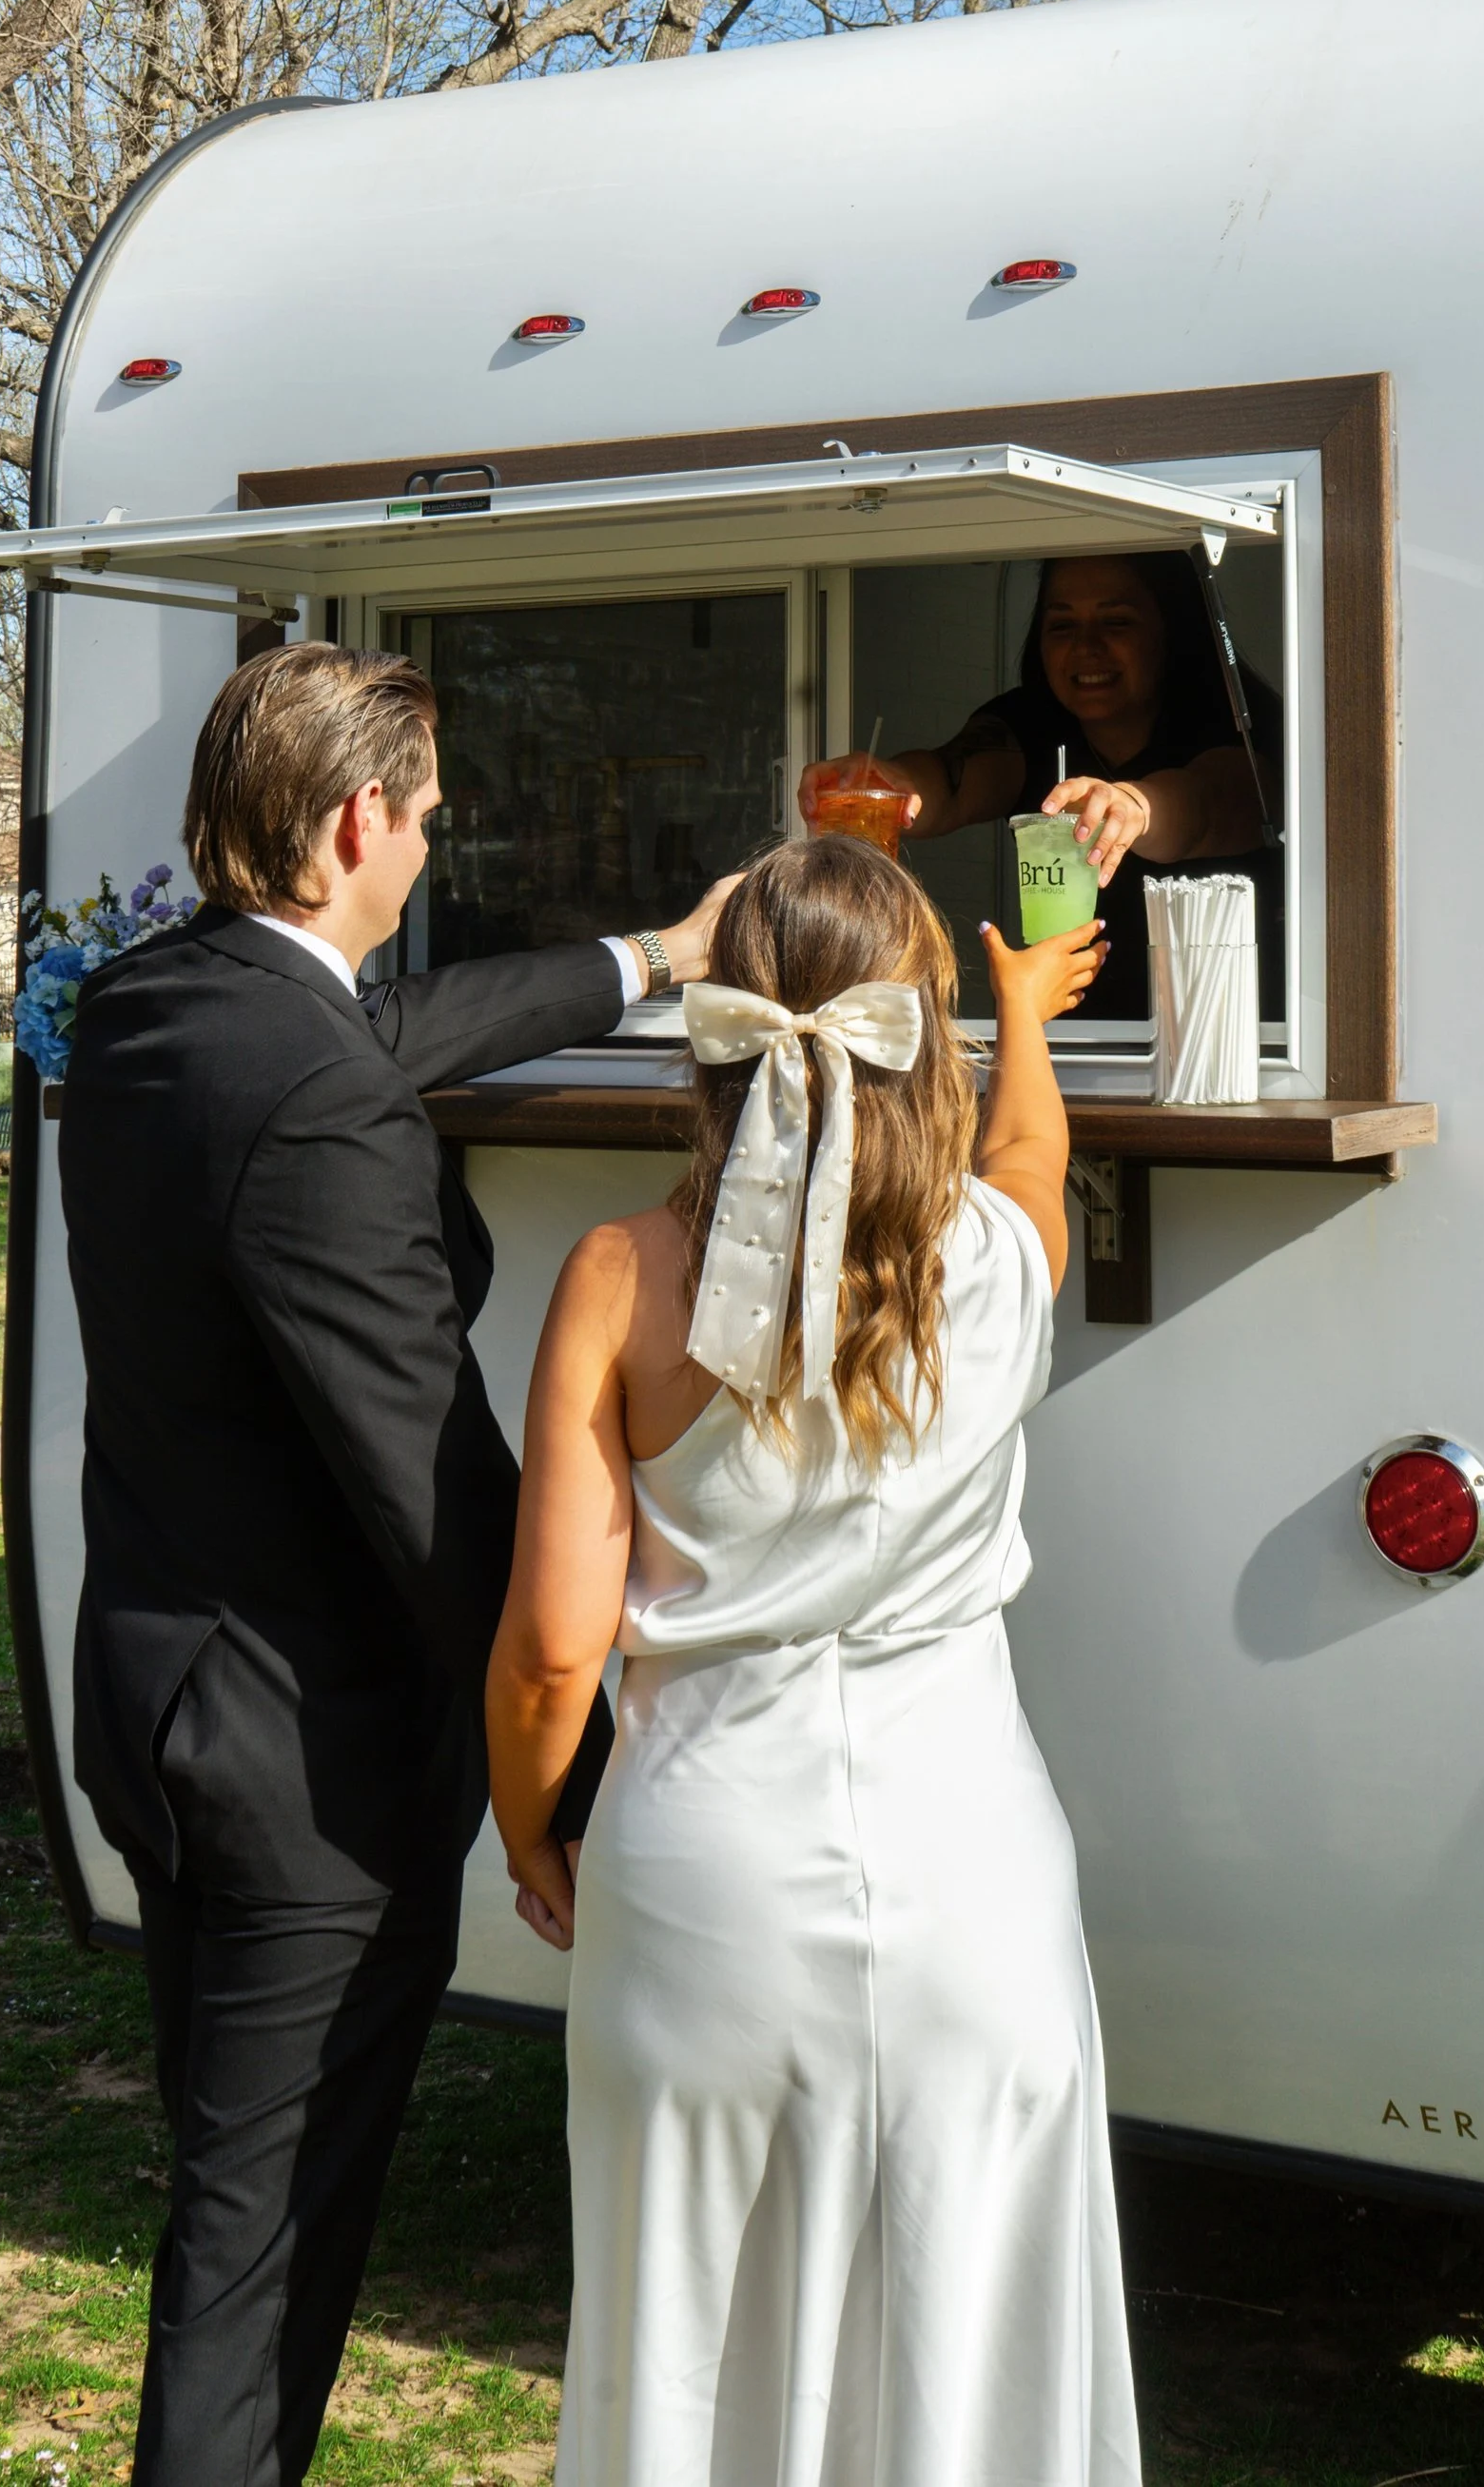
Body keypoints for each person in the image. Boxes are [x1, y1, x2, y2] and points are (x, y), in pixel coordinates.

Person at [58, 642, 735, 2487]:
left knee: (230, 2196)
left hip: (158, 1704)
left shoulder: (145, 1013)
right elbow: (433, 1491)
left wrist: (653, 960)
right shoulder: (315, 1094)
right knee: (256, 2255)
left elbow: (374, 1041)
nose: (434, 849)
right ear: (358, 819)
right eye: (428, 819)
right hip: (307, 1771)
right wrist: (572, 1776)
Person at [487, 832, 1143, 2487]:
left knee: (696, 2350)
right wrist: (1025, 1021)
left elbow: (557, 1653)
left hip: (706, 1877)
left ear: (715, 1029)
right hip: (972, 1881)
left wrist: (528, 1830)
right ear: (916, 1032)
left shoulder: (621, 1280)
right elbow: (1035, 1158)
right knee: (970, 2348)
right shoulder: (995, 1255)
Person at [802, 546, 1280, 1018]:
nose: (1086, 647)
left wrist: (1131, 804)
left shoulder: (1236, 719)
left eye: (1116, 622)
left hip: (1231, 1032)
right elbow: (951, 780)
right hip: (1074, 1039)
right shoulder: (1029, 721)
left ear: (1171, 628)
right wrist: (891, 782)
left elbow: (1210, 805)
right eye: (1062, 624)